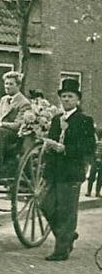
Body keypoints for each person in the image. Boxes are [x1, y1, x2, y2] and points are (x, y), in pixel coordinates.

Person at [40, 78, 96, 261]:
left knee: (66, 210)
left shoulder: (84, 120)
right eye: (63, 96)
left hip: (71, 171)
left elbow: (89, 147)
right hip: (53, 170)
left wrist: (65, 149)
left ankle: (61, 250)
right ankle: (67, 235)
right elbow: (52, 138)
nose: (66, 99)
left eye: (70, 96)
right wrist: (48, 146)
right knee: (45, 204)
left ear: (78, 99)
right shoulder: (56, 119)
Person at [0, 71, 30, 177]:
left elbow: (19, 125)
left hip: (14, 137)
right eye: (6, 83)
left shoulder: (24, 103)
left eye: (11, 84)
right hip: (0, 131)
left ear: (18, 86)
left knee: (0, 132)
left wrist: (2, 124)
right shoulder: (4, 99)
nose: (7, 86)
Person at [87, 128, 102, 197]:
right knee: (96, 177)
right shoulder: (96, 143)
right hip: (96, 160)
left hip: (96, 161)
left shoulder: (96, 143)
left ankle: (90, 191)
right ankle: (95, 192)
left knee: (96, 177)